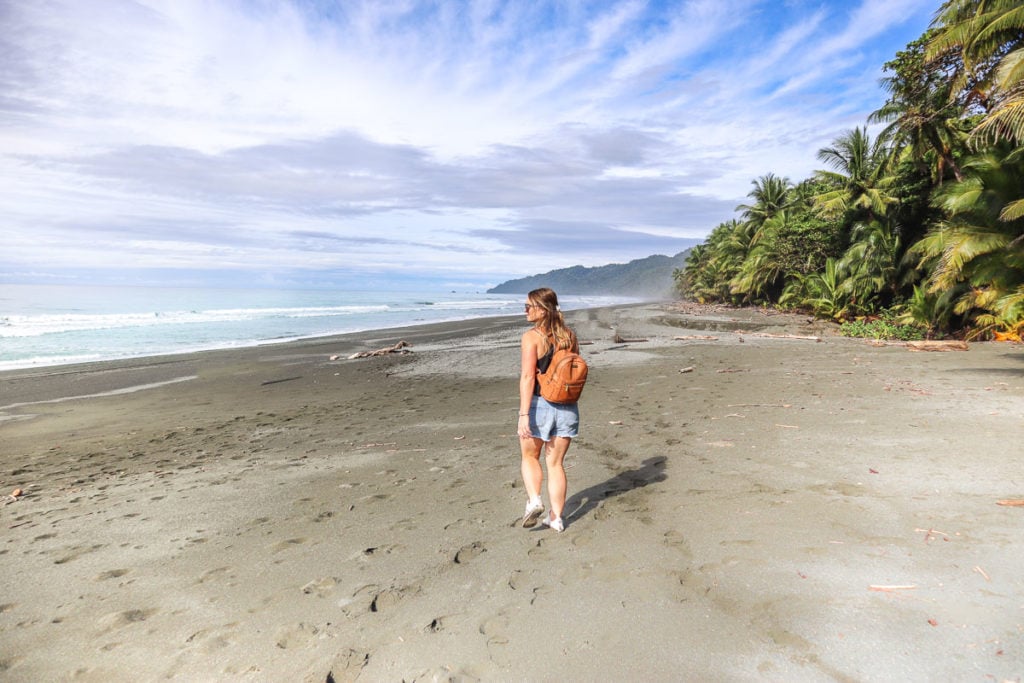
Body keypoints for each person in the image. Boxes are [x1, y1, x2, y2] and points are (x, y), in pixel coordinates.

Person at [517, 287, 580, 532]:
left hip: (539, 405)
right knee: (556, 464)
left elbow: (527, 377)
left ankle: (534, 500)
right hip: (567, 407)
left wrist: (524, 414)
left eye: (529, 306)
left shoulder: (531, 337)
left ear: (542, 310)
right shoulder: (569, 336)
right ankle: (556, 518)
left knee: (530, 457)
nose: (525, 310)